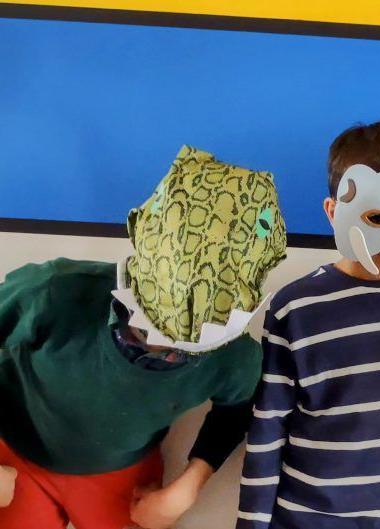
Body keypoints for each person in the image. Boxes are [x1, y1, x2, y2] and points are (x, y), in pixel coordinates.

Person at [0, 145, 288, 529]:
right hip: (17, 453)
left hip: (119, 468)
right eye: (144, 332)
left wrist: (189, 485)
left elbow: (235, 410)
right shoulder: (53, 293)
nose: (160, 349)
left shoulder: (233, 356)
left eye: (182, 349)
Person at [237, 118, 380, 529]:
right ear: (334, 211)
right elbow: (267, 431)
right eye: (376, 218)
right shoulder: (295, 307)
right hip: (308, 519)